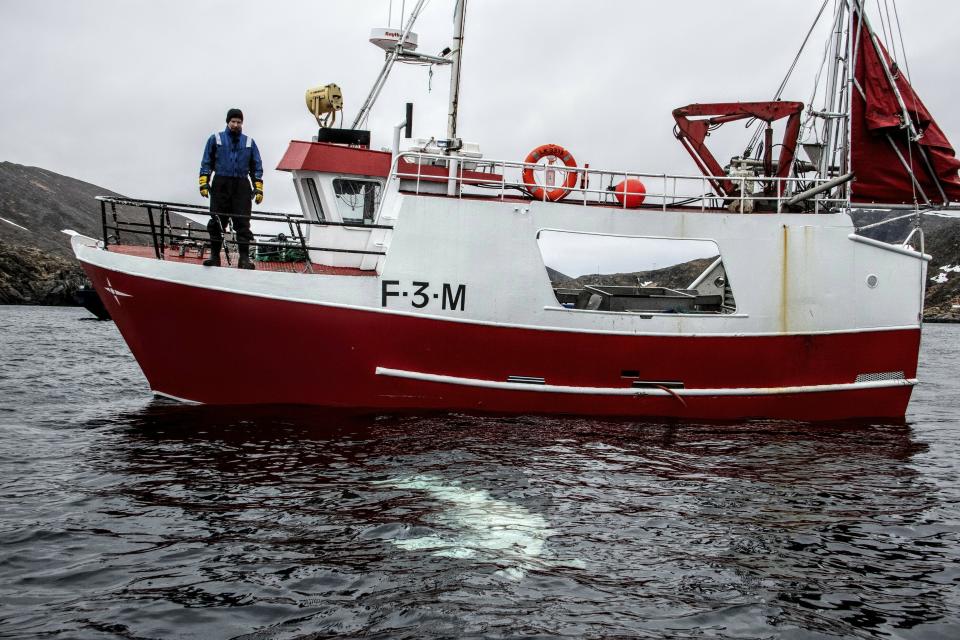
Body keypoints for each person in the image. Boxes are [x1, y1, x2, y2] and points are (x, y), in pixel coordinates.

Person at [198, 108, 264, 269]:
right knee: (217, 222)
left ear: (242, 123)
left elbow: (256, 165)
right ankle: (214, 257)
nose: (236, 125)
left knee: (243, 223)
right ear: (227, 122)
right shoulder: (216, 139)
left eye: (239, 122)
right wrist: (204, 182)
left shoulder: (249, 142)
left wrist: (258, 187)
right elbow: (206, 161)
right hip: (221, 183)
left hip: (242, 185)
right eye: (233, 121)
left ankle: (244, 259)